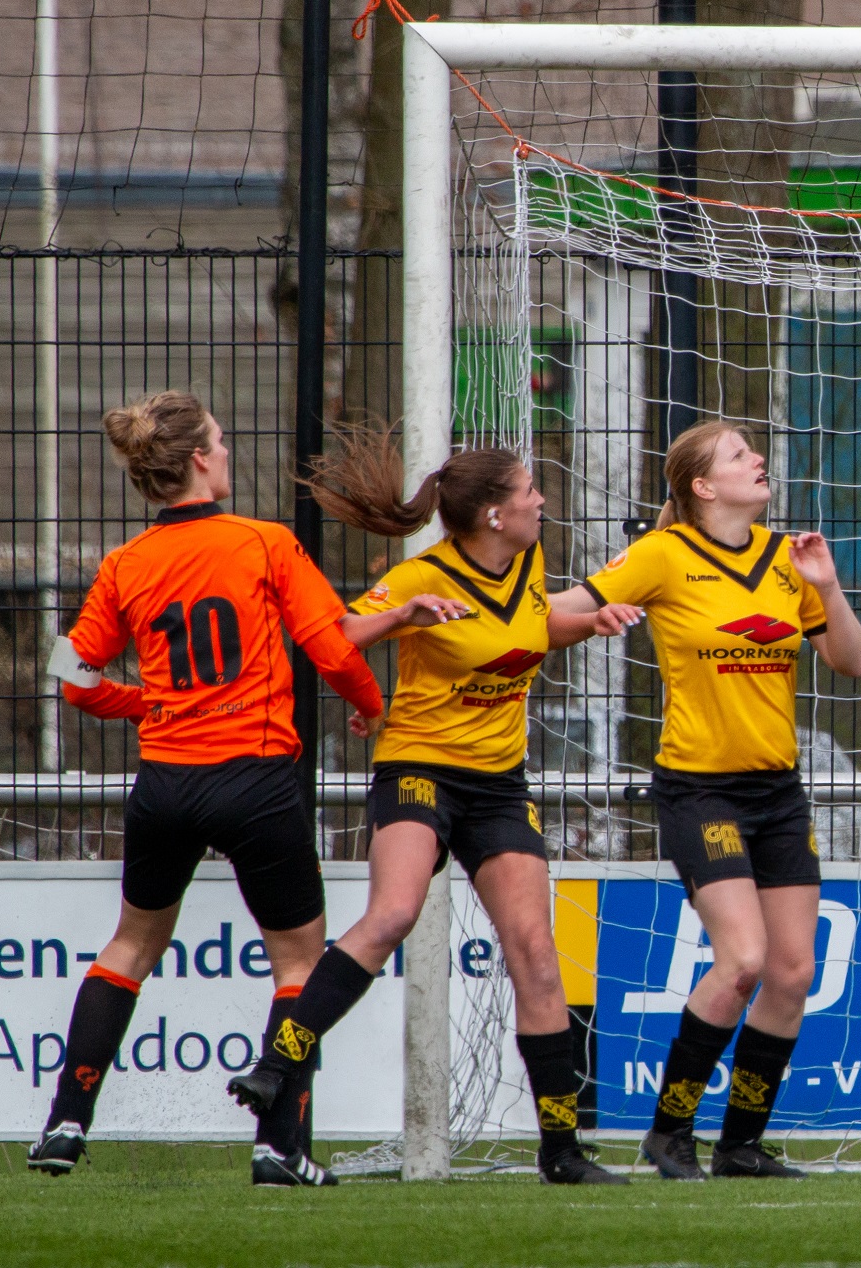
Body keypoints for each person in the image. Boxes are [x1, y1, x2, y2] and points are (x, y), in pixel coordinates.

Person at [223, 433, 640, 1185]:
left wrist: (591, 621)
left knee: (537, 956)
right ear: (491, 514)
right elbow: (336, 635)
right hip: (419, 768)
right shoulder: (421, 573)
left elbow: (529, 626)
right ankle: (274, 1068)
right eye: (528, 491)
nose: (540, 500)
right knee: (392, 916)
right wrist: (403, 614)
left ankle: (562, 1152)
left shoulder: (529, 562)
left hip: (499, 783)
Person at [30, 391, 386, 1186]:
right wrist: (372, 706)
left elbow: (72, 677)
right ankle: (278, 1147)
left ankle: (63, 1124)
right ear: (198, 460)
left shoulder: (126, 565)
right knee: (297, 963)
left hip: (165, 784)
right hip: (254, 778)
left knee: (129, 948)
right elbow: (329, 649)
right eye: (220, 441)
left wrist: (144, 704)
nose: (226, 451)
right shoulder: (264, 541)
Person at [548, 419, 861, 1179]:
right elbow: (557, 609)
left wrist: (827, 586)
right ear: (701, 486)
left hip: (777, 792)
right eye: (738, 454)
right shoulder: (661, 554)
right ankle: (668, 1132)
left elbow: (852, 662)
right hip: (699, 790)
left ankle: (741, 1145)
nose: (757, 459)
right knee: (744, 960)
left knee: (792, 974)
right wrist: (591, 617)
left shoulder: (789, 560)